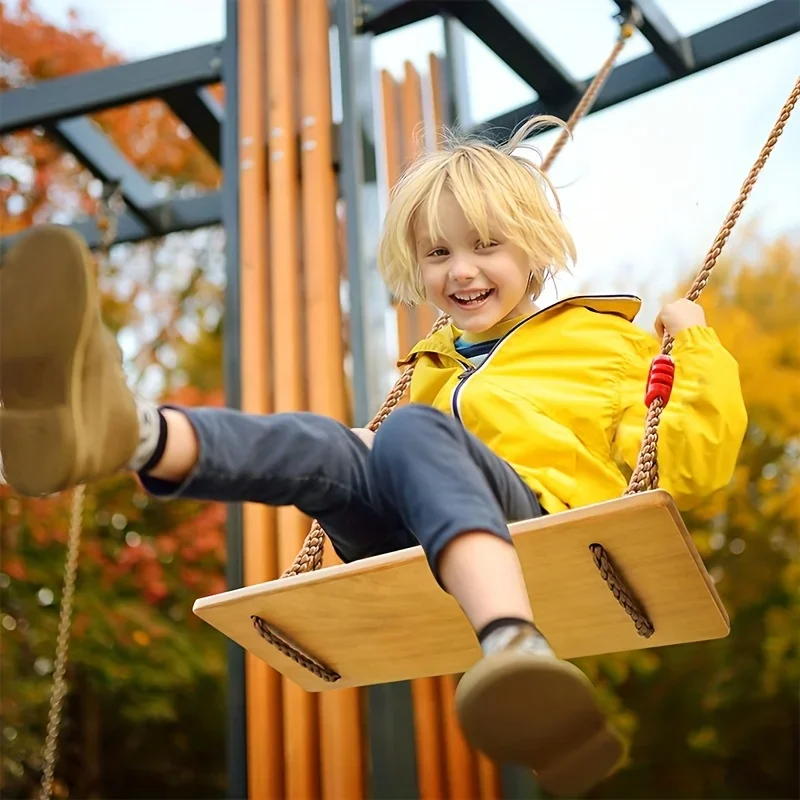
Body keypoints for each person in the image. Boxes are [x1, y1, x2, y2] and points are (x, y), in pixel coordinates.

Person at [0, 117, 747, 796]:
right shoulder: (427, 367)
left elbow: (689, 471)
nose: (461, 271)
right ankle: (130, 434)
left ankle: (516, 645)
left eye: (486, 246)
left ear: (535, 247)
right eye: (438, 253)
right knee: (333, 446)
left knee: (409, 435)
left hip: (541, 534)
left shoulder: (604, 344)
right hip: (412, 542)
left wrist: (694, 344)